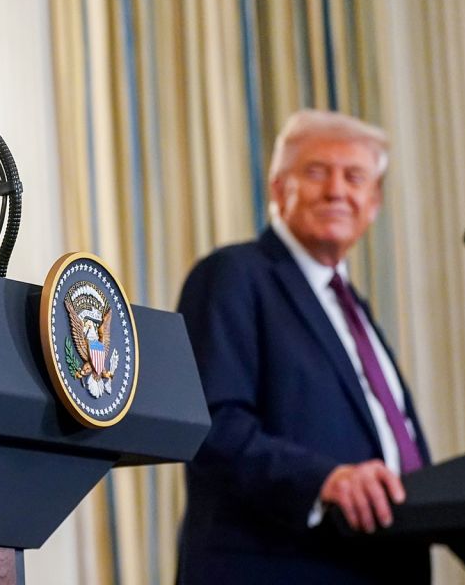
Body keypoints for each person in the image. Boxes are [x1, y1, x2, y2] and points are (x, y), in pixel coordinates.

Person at [176, 110, 432, 584]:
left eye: (354, 177)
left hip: (381, 562)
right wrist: (324, 480)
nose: (337, 190)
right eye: (316, 172)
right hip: (279, 565)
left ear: (372, 202)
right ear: (278, 188)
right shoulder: (235, 275)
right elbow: (210, 426)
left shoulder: (352, 306)